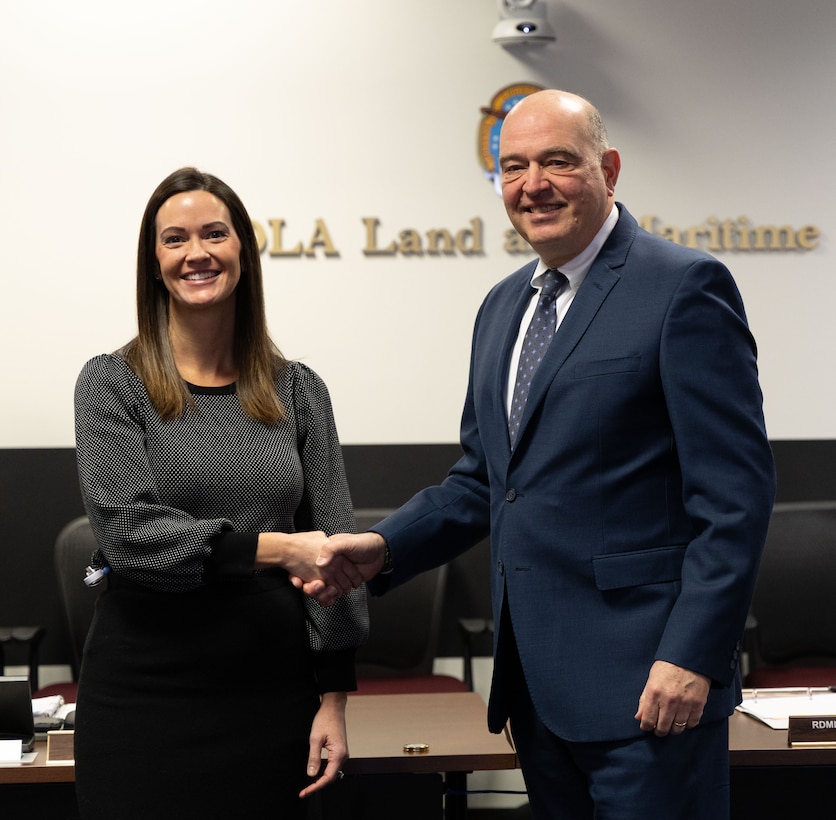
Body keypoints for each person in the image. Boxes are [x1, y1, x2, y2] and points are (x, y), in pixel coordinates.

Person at [302, 90, 776, 819]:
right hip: (537, 697)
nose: (534, 185)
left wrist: (693, 656)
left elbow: (734, 498)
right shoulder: (503, 308)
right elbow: (487, 482)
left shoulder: (682, 287)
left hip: (652, 688)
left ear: (608, 169)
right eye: (514, 167)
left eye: (558, 161)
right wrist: (382, 548)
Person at [72, 167, 368, 820]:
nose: (196, 253)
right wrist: (279, 549)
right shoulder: (111, 385)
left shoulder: (297, 391)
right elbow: (128, 534)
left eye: (214, 233)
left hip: (273, 694)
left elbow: (336, 551)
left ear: (242, 251)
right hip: (143, 695)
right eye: (175, 239)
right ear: (154, 263)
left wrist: (334, 699)